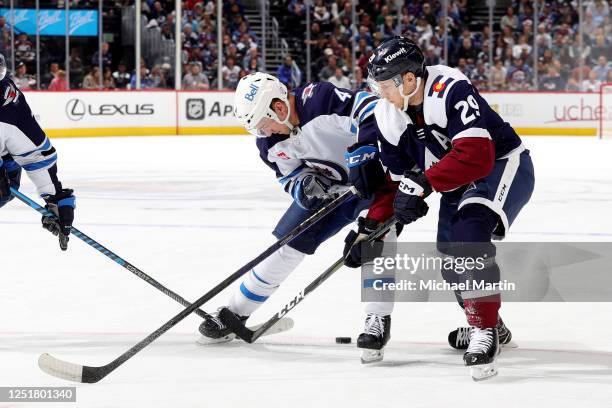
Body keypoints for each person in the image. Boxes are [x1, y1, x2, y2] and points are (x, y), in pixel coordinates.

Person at [351, 37, 534, 379]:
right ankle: (493, 322)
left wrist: (423, 183)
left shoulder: (449, 88)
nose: (380, 92)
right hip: (454, 177)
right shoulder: (387, 115)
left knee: (468, 237)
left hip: (500, 164)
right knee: (451, 259)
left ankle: (484, 329)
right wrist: (372, 225)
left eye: (384, 83)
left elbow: (478, 156)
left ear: (408, 79)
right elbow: (396, 183)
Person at [197, 72, 397, 348]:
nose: (263, 134)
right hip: (332, 192)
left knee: (375, 240)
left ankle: (378, 319)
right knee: (285, 246)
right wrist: (303, 187)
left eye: (263, 125)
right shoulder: (269, 144)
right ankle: (235, 313)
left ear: (279, 107)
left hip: (375, 179)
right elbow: (289, 177)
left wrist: (365, 152)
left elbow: (374, 109)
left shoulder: (320, 100)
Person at [0, 54, 76, 251]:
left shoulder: (10, 108)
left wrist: (55, 198)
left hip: (7, 161)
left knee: (3, 194)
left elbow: (36, 155)